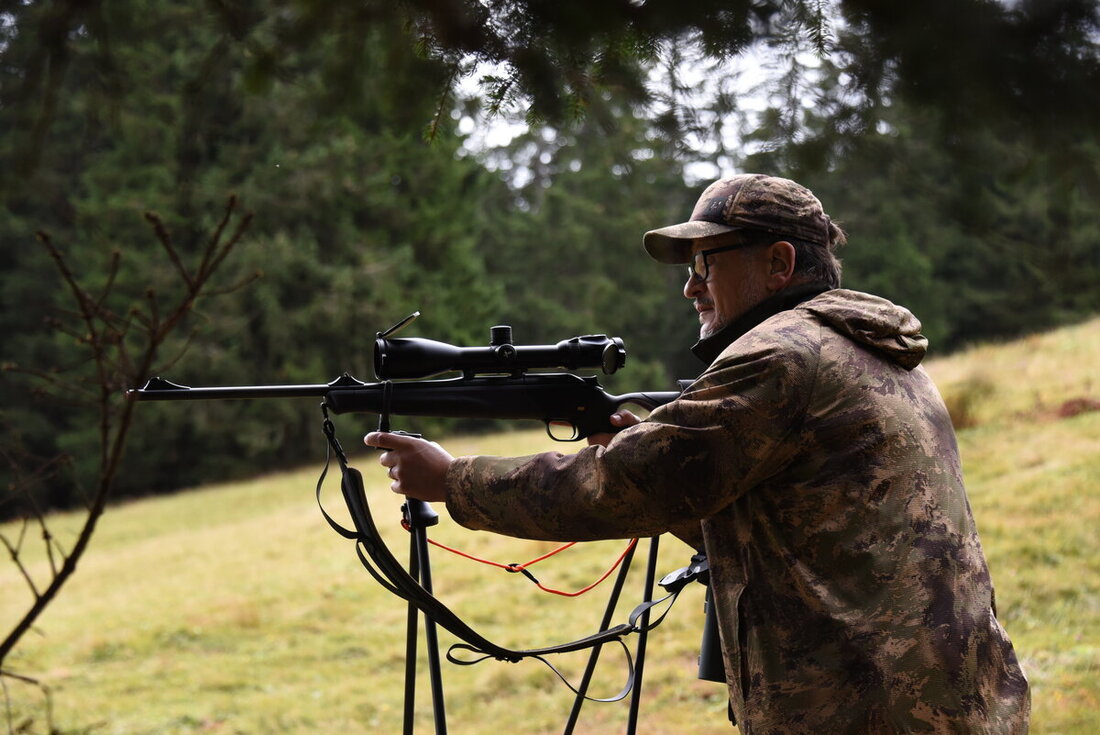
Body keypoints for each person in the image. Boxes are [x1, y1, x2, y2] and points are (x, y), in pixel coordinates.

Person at [365, 174, 1031, 733]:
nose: (691, 286)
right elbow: (789, 526)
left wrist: (452, 479)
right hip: (940, 698)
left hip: (872, 711)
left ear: (778, 263)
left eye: (706, 262)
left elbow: (626, 485)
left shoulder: (781, 355)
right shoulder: (859, 346)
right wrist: (649, 448)